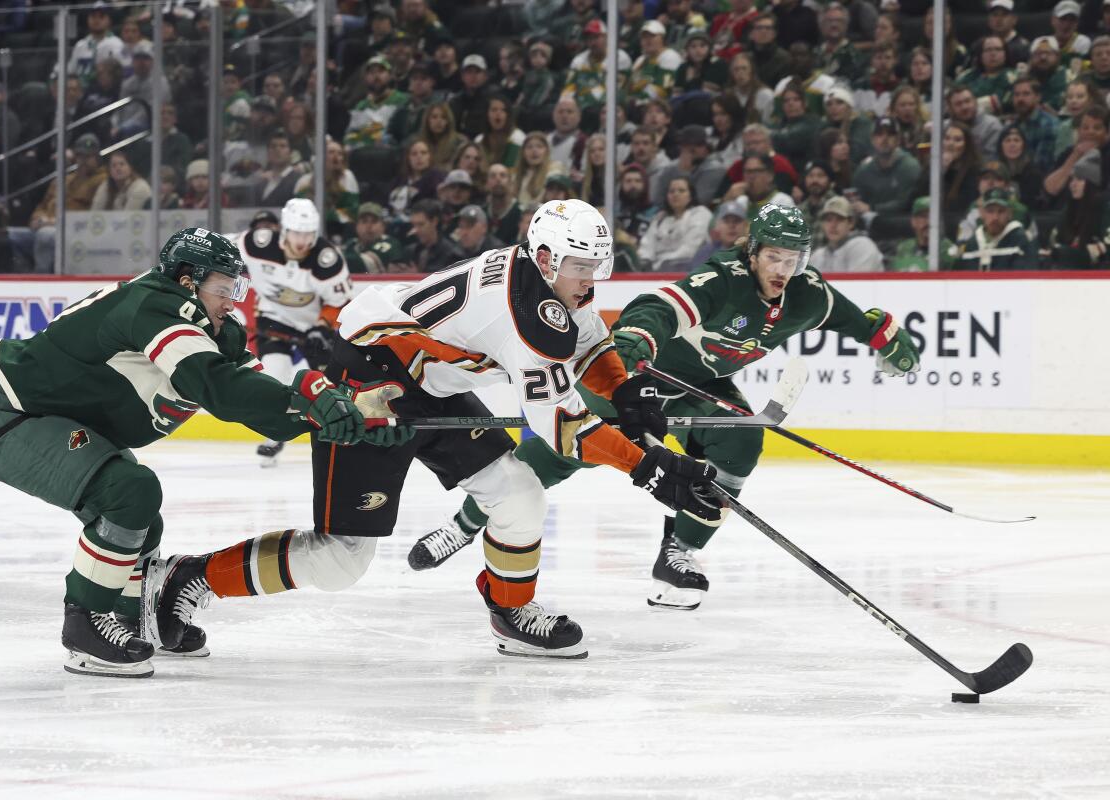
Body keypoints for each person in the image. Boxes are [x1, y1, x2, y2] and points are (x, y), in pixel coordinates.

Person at [145, 200, 722, 659]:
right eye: (581, 266)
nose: (591, 278)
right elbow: (565, 428)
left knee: (519, 494)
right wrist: (649, 470)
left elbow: (591, 341)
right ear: (546, 259)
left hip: (429, 384)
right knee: (341, 558)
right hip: (370, 375)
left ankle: (511, 610)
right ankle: (190, 577)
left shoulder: (549, 282)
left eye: (599, 265)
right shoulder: (525, 315)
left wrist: (624, 390)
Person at [408, 203, 921, 612]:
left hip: (701, 384)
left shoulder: (808, 297)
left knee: (742, 439)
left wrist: (887, 339)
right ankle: (466, 523)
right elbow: (657, 308)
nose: (783, 270)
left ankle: (680, 551)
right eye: (774, 258)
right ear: (752, 252)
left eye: (794, 260)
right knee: (549, 457)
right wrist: (634, 344)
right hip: (642, 379)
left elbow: (857, 320)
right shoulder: (724, 280)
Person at [0, 228, 399, 678]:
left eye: (236, 289)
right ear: (188, 280)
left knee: (139, 515)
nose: (232, 302)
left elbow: (264, 405)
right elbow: (218, 388)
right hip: (10, 416)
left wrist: (344, 412)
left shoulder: (214, 326)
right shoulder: (156, 304)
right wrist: (309, 398)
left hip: (59, 420)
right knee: (129, 493)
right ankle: (84, 627)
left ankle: (139, 617)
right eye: (222, 289)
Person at [235, 199, 354, 467]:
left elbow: (341, 302)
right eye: (297, 234)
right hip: (273, 320)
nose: (302, 242)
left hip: (314, 327)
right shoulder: (258, 244)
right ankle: (275, 435)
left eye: (308, 235)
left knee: (326, 383)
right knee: (275, 378)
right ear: (284, 231)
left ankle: (336, 433)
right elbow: (224, 247)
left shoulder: (327, 260)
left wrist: (323, 326)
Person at [30, 133, 107, 273]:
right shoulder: (64, 180)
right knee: (11, 235)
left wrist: (55, 222)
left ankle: (40, 279)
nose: (83, 161)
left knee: (44, 236)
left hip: (74, 230)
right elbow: (42, 205)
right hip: (45, 224)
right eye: (80, 156)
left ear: (97, 157)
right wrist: (38, 218)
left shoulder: (102, 181)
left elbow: (91, 214)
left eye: (88, 157)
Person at [1043, 152, 1110, 269]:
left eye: (1079, 179)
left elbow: (1103, 251)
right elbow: (1054, 242)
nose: (1072, 184)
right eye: (1071, 179)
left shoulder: (1105, 211)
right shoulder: (1069, 210)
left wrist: (1066, 252)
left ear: (1091, 183)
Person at [637, 176, 713, 271]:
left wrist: (661, 264)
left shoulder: (700, 214)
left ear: (691, 195)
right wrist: (645, 262)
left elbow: (689, 250)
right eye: (671, 191)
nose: (675, 194)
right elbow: (647, 246)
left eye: (681, 191)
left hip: (687, 269)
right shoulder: (660, 217)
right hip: (655, 270)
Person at [851, 117, 921, 218]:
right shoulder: (864, 169)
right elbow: (856, 202)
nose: (885, 139)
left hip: (902, 224)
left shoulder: (910, 167)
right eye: (879, 134)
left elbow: (906, 203)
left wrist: (872, 208)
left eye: (890, 134)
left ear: (898, 140)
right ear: (872, 139)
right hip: (870, 226)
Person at [345, 55, 408, 150]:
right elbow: (351, 137)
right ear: (365, 77)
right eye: (371, 72)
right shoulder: (361, 106)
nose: (376, 76)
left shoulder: (403, 100)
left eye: (381, 71)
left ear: (390, 75)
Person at [655, 124, 727, 207]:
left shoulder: (715, 169)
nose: (691, 150)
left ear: (706, 147)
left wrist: (684, 171)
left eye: (697, 145)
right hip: (669, 215)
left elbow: (699, 201)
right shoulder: (669, 168)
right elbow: (657, 201)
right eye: (686, 145)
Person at [809, 196, 883, 272]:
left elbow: (857, 283)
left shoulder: (863, 246)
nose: (833, 225)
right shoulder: (818, 256)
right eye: (828, 220)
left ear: (851, 223)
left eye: (839, 219)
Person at [889, 197, 956, 272]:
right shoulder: (904, 248)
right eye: (924, 217)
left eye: (934, 216)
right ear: (913, 221)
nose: (929, 222)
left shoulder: (948, 250)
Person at [343, 202, 410, 274]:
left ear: (383, 226)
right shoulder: (351, 243)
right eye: (364, 221)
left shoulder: (391, 243)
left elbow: (366, 263)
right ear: (357, 226)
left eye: (374, 221)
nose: (369, 226)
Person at [946, 86, 1003, 163]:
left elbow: (991, 161)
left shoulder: (992, 125)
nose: (964, 107)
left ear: (975, 102)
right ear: (950, 108)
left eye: (967, 101)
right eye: (958, 104)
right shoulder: (945, 128)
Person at [406, 198, 464, 272]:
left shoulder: (452, 255)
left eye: (421, 224)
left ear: (434, 221)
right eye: (414, 225)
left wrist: (417, 276)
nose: (416, 230)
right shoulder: (411, 252)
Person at [485, 163, 523, 246]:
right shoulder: (482, 211)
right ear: (487, 183)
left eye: (502, 175)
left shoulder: (520, 214)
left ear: (510, 182)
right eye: (493, 176)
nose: (498, 179)